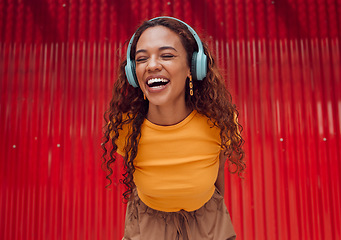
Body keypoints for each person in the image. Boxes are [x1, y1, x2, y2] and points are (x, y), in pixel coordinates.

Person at [102, 16, 245, 240]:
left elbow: (218, 175)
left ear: (193, 67)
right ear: (132, 72)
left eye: (167, 55)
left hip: (208, 221)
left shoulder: (219, 121)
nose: (152, 65)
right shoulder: (125, 128)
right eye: (141, 59)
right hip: (148, 223)